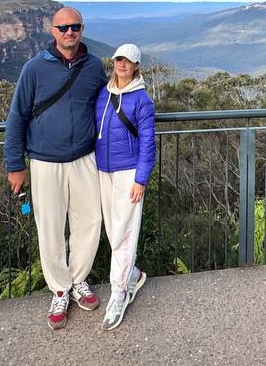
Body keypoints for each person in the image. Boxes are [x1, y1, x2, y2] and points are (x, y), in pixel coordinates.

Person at [3, 6, 108, 330]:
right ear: (52, 31)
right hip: (45, 162)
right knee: (49, 227)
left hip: (85, 159)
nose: (69, 32)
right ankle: (60, 289)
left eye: (74, 27)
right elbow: (17, 116)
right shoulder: (34, 69)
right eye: (63, 28)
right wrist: (15, 165)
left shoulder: (93, 67)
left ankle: (78, 281)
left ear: (81, 28)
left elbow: (106, 109)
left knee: (89, 222)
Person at [94, 43, 156, 330]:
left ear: (135, 66)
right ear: (114, 62)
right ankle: (131, 275)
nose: (122, 64)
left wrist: (140, 180)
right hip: (102, 171)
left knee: (124, 232)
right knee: (112, 230)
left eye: (128, 61)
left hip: (128, 173)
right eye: (119, 59)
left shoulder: (142, 100)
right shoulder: (103, 95)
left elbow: (148, 144)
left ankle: (119, 293)